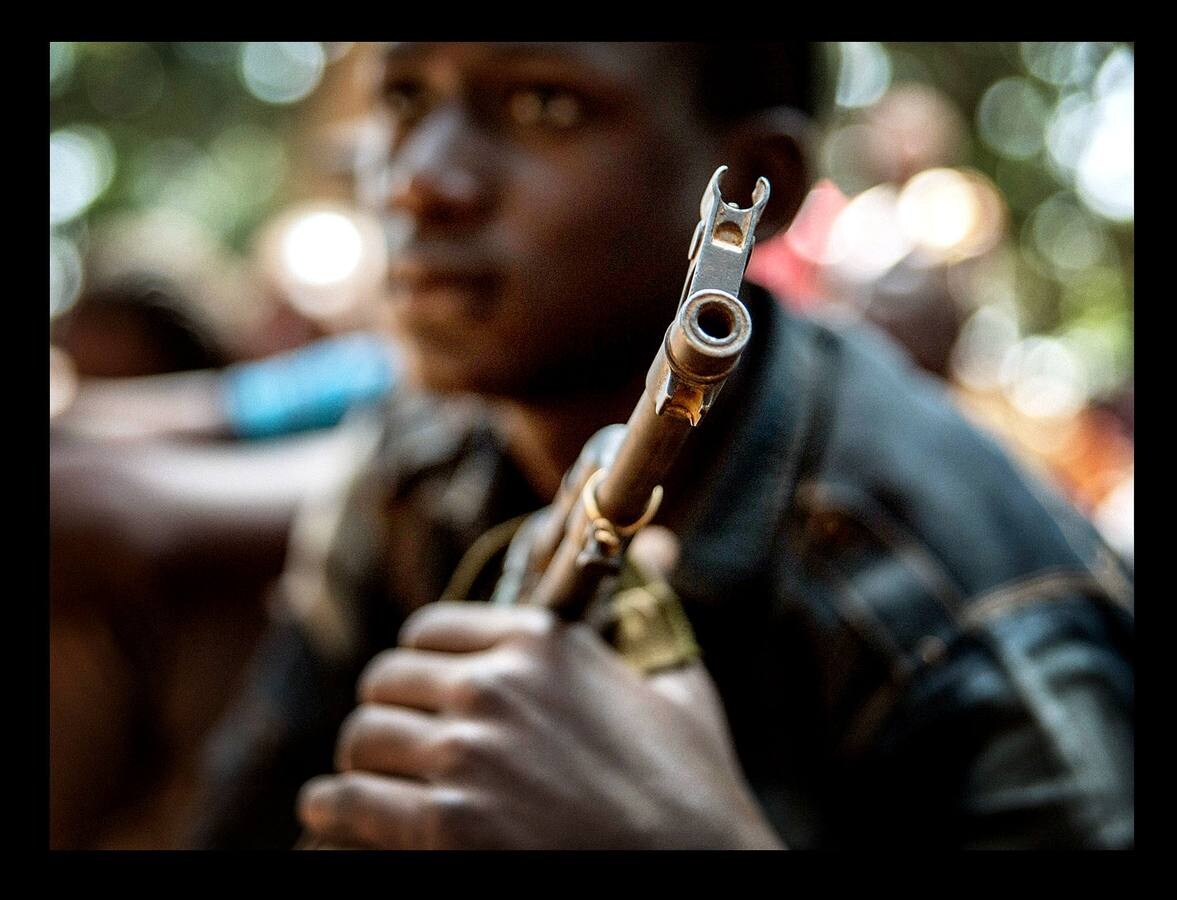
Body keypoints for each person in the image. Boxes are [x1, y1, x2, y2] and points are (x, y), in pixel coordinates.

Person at [189, 42, 1133, 850]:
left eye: (542, 104)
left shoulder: (975, 630)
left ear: (756, 184)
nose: (420, 179)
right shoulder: (426, 441)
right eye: (404, 97)